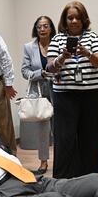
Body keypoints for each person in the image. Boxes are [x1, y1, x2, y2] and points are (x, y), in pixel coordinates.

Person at [46, 1, 98, 178]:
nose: (73, 21)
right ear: (64, 20)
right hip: (65, 96)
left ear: (84, 19)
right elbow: (50, 68)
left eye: (77, 17)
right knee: (64, 140)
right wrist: (62, 57)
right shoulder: (57, 39)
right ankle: (63, 181)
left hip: (90, 95)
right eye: (70, 17)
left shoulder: (93, 37)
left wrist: (87, 53)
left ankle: (92, 179)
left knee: (91, 139)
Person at [22, 15, 57, 174]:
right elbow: (24, 71)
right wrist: (40, 74)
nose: (42, 29)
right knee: (43, 127)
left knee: (60, 126)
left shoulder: (57, 43)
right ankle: (43, 162)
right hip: (39, 90)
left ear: (51, 28)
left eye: (45, 26)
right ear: (35, 29)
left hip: (58, 88)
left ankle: (63, 159)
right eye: (39, 27)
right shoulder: (29, 47)